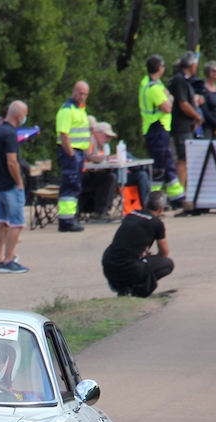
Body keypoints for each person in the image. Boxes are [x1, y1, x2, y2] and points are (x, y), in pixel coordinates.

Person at [101, 191, 175, 297]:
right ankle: (137, 290)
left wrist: (145, 256)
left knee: (138, 258)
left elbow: (129, 242)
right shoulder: (156, 223)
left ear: (145, 204)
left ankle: (123, 288)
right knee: (167, 264)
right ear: (161, 209)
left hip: (109, 263)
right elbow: (164, 253)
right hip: (129, 267)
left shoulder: (132, 214)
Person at [0, 101, 30, 273]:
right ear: (19, 115)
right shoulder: (10, 134)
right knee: (17, 223)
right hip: (9, 186)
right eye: (24, 115)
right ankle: (9, 259)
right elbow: (12, 161)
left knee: (1, 222)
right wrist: (19, 181)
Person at [140, 55, 186, 208]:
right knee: (163, 166)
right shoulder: (154, 88)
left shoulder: (148, 83)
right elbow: (167, 107)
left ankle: (166, 197)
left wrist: (168, 97)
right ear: (159, 68)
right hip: (157, 128)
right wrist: (169, 99)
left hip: (156, 129)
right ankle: (172, 198)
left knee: (162, 166)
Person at [55, 81, 92, 232]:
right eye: (80, 93)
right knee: (70, 185)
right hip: (71, 152)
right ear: (73, 91)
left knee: (75, 185)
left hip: (79, 152)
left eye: (85, 94)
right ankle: (66, 220)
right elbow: (63, 135)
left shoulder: (81, 110)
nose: (82, 97)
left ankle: (71, 217)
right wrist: (71, 155)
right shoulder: (67, 110)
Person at [169, 51, 201, 196]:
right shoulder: (179, 80)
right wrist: (197, 116)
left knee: (186, 158)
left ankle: (183, 189)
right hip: (180, 127)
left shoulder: (185, 80)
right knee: (183, 158)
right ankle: (179, 191)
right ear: (192, 65)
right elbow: (183, 104)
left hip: (187, 126)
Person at [80, 119, 118, 218]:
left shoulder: (100, 146)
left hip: (90, 173)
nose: (108, 140)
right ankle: (100, 212)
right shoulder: (89, 140)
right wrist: (109, 158)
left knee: (110, 176)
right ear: (98, 133)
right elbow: (89, 157)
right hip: (80, 176)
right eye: (107, 136)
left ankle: (104, 210)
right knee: (108, 178)